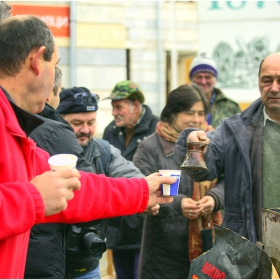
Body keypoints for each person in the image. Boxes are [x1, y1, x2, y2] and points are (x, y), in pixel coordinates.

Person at [0, 15, 174, 278]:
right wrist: (33, 198)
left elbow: (76, 189)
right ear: (37, 60)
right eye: (55, 65)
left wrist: (141, 190)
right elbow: (45, 193)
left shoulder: (16, 128)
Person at [174, 52, 280, 245]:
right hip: (252, 246)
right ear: (258, 82)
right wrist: (194, 146)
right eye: (267, 80)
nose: (274, 88)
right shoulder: (236, 129)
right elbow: (204, 171)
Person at [133, 84, 224, 278]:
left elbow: (230, 182)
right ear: (172, 113)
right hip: (163, 252)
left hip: (211, 247)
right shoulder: (150, 147)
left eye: (201, 113)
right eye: (190, 113)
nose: (197, 120)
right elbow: (140, 190)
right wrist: (178, 203)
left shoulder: (212, 143)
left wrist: (214, 198)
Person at [56, 86, 145, 279]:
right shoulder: (42, 149)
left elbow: (134, 179)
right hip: (47, 266)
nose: (85, 130)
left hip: (88, 265)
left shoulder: (105, 152)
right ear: (58, 120)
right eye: (77, 123)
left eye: (91, 122)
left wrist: (147, 193)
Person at [103, 80, 160, 279]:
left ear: (136, 106)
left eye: (118, 107)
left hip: (145, 227)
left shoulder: (156, 128)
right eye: (112, 107)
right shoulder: (111, 130)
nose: (113, 112)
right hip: (118, 225)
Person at [190, 53, 241, 128]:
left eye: (208, 77)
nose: (203, 82)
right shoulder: (181, 105)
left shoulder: (231, 107)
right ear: (192, 80)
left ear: (215, 80)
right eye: (199, 77)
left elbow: (241, 134)